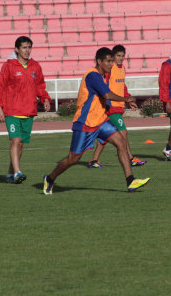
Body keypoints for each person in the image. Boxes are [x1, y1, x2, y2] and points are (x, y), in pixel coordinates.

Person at [43, 47, 150, 195]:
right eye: (108, 61)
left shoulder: (102, 76)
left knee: (121, 141)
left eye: (112, 61)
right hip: (85, 123)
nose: (111, 64)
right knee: (73, 158)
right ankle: (50, 178)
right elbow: (106, 95)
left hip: (100, 121)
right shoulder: (93, 75)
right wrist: (126, 99)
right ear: (99, 61)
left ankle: (130, 180)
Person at [0, 36, 51, 184]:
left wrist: (44, 98)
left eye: (29, 47)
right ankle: (18, 172)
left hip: (28, 111)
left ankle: (10, 174)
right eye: (24, 47)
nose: (27, 50)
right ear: (17, 49)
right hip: (12, 110)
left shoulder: (35, 66)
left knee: (20, 145)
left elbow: (40, 85)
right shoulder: (9, 66)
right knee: (15, 140)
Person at [87, 44, 147, 169]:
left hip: (119, 106)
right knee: (123, 132)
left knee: (106, 136)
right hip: (111, 107)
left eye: (122, 56)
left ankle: (94, 160)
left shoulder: (122, 69)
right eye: (118, 56)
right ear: (113, 57)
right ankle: (131, 159)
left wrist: (128, 100)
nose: (120, 58)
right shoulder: (110, 69)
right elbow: (104, 85)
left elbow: (122, 87)